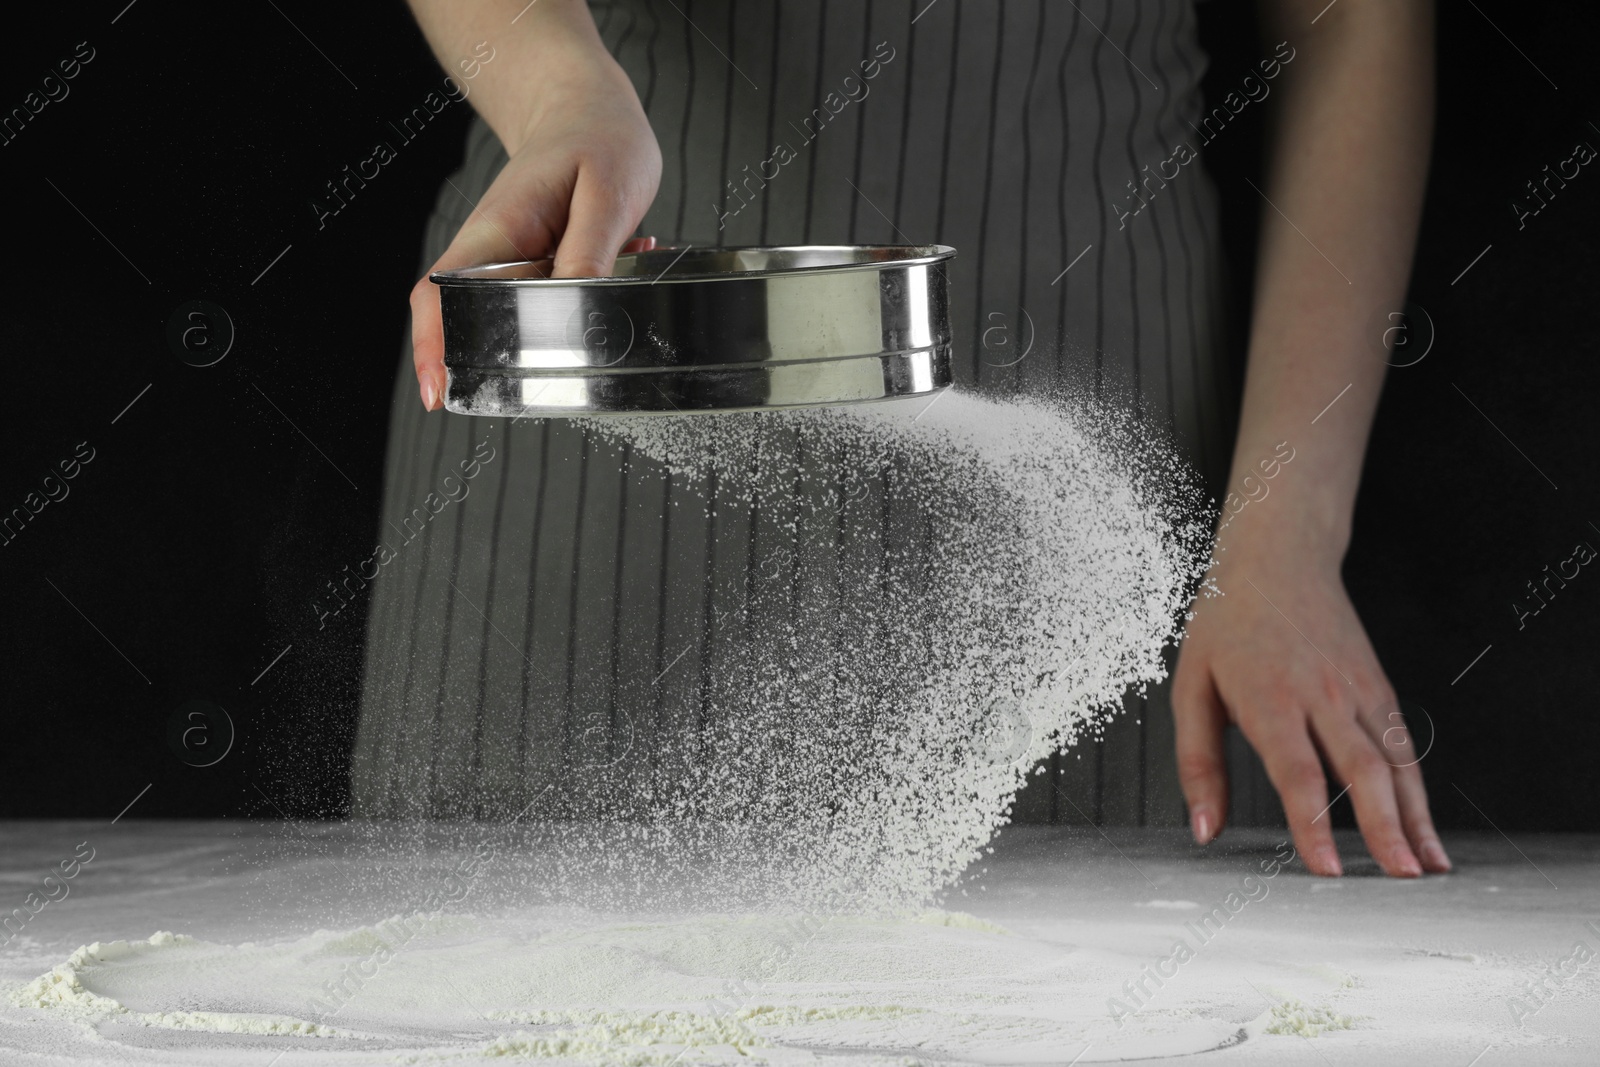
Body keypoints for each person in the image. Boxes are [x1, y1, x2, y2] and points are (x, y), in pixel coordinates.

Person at [355, 0, 1448, 878]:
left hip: (1103, 518)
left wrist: (1285, 534)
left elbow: (1353, 19)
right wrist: (556, 92)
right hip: (585, 416)